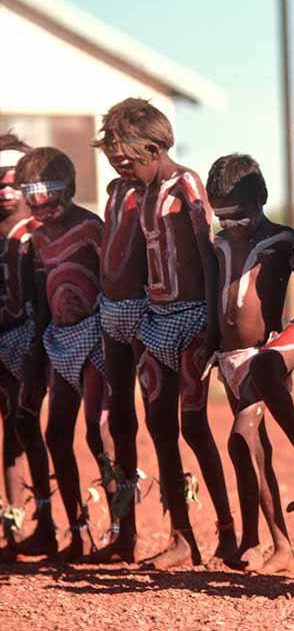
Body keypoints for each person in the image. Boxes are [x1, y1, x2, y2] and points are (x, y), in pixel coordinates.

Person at [125, 99, 234, 569]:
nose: (118, 163)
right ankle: (181, 535)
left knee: (193, 425)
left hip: (191, 319)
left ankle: (227, 532)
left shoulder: (187, 184)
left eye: (125, 155)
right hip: (156, 321)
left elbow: (208, 256)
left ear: (152, 148)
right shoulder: (142, 192)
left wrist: (212, 324)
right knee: (160, 427)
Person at [207, 153, 294, 576]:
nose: (231, 228)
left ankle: (282, 544)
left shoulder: (282, 241)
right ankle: (258, 539)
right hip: (228, 360)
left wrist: (290, 342)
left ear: (261, 201)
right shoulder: (218, 245)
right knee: (250, 451)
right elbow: (212, 299)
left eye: (238, 219)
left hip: (264, 357)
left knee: (241, 439)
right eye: (223, 220)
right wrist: (209, 347)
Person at [15, 147, 110, 561]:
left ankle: (122, 530)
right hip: (60, 339)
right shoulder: (35, 237)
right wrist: (36, 361)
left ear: (68, 189)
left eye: (49, 196)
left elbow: (114, 280)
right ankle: (77, 530)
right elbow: (40, 301)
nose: (42, 207)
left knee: (96, 433)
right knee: (56, 434)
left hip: (95, 337)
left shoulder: (90, 227)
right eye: (32, 196)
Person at [88, 100, 155, 563]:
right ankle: (122, 528)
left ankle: (184, 532)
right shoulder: (115, 190)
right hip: (110, 313)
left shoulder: (160, 191)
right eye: (109, 148)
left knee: (163, 423)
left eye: (123, 147)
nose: (116, 157)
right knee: (114, 421)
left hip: (149, 315)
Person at [0, 135, 44, 559]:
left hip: (30, 341)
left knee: (27, 425)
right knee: (9, 432)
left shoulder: (35, 231)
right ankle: (12, 523)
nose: (5, 189)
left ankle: (49, 521)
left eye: (13, 181)